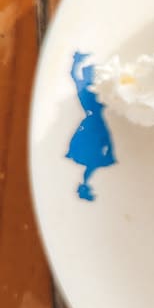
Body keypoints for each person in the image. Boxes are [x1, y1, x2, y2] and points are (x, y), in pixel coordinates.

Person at [66, 52, 116, 200]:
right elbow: (73, 76)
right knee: (100, 149)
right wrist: (76, 61)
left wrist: (76, 62)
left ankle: (86, 183)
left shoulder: (91, 89)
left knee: (100, 149)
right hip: (93, 123)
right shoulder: (85, 90)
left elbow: (74, 75)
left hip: (93, 122)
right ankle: (86, 183)